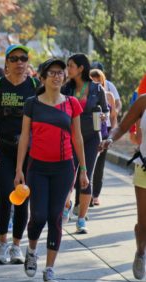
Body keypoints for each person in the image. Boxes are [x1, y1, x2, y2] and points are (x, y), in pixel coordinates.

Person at [14, 58, 89, 282]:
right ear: (43, 77)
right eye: (52, 73)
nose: (57, 76)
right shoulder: (32, 104)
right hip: (37, 167)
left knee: (56, 216)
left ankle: (49, 269)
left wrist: (84, 170)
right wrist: (19, 169)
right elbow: (25, 137)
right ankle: (31, 250)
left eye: (60, 73)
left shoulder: (72, 103)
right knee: (38, 216)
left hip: (64, 168)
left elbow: (77, 137)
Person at [0, 44, 39, 265]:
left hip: (28, 150)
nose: (19, 63)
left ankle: (17, 246)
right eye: (14, 58)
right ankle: (2, 243)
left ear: (27, 62)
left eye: (23, 58)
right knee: (5, 195)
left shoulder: (35, 85)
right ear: (6, 62)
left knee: (22, 197)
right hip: (3, 148)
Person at [100, 94, 146, 280]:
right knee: (143, 225)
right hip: (144, 167)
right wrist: (110, 138)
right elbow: (121, 127)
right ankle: (141, 252)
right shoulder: (143, 101)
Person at [62, 53, 108, 233]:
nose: (68, 69)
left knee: (85, 174)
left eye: (71, 65)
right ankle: (66, 204)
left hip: (91, 137)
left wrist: (103, 116)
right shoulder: (66, 89)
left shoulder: (97, 89)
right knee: (68, 174)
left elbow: (105, 110)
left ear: (81, 68)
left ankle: (81, 219)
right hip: (71, 136)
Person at [89, 69, 117, 206]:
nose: (96, 83)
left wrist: (112, 136)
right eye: (92, 80)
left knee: (99, 167)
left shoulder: (109, 95)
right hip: (89, 133)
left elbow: (113, 117)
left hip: (104, 134)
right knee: (88, 165)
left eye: (98, 80)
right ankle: (85, 194)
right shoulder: (87, 95)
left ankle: (95, 195)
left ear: (103, 81)